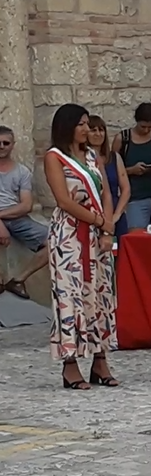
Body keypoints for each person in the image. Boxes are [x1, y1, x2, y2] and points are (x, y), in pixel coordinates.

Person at [44, 104, 118, 389]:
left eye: (88, 123)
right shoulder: (55, 157)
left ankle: (100, 360)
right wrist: (99, 220)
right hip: (70, 234)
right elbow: (64, 200)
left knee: (100, 293)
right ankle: (70, 363)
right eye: (82, 124)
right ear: (68, 127)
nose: (87, 129)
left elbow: (106, 193)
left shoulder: (92, 156)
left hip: (98, 234)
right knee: (71, 294)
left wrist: (107, 227)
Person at [0, 126, 49, 299]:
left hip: (16, 218)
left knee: (55, 242)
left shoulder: (22, 172)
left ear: (13, 145)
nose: (1, 146)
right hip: (7, 217)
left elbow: (26, 205)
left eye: (6, 143)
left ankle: (18, 280)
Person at [112, 103, 151, 230]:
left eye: (150, 127)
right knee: (136, 232)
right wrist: (131, 170)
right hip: (136, 196)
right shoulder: (122, 139)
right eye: (143, 127)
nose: (146, 130)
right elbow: (112, 169)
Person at [89, 115, 130, 241]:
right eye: (93, 130)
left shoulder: (114, 157)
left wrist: (117, 214)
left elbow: (126, 189)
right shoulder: (83, 159)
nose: (98, 134)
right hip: (92, 214)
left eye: (101, 130)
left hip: (115, 212)